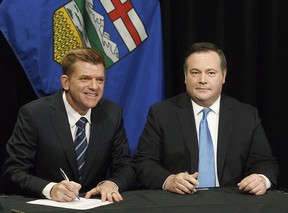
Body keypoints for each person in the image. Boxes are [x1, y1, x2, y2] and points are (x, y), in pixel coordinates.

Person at [134, 42, 278, 196]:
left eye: (210, 73)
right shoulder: (161, 113)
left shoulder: (246, 115)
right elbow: (144, 162)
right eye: (195, 72)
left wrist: (261, 179)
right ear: (185, 77)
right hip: (179, 203)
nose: (202, 79)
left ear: (223, 76)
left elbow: (265, 162)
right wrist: (169, 180)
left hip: (231, 201)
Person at [1, 47, 135, 202]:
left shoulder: (112, 113)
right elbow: (12, 172)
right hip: (46, 208)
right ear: (65, 82)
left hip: (94, 207)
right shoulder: (34, 114)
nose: (94, 86)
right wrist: (50, 189)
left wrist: (111, 183)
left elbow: (126, 165)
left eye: (100, 79)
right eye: (85, 78)